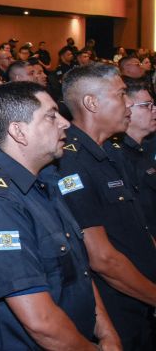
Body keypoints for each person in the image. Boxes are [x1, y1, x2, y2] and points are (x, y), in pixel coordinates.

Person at [0, 82, 120, 350]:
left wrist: (107, 333)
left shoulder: (44, 179)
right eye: (51, 116)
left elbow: (79, 271)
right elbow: (42, 324)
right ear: (18, 131)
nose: (65, 123)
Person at [48, 63, 156, 350]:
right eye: (121, 95)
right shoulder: (70, 162)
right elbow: (102, 259)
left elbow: (136, 227)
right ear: (91, 103)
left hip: (142, 295)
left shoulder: (111, 150)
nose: (128, 105)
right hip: (118, 308)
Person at [109, 78, 156, 232]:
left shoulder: (144, 147)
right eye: (146, 106)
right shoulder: (115, 155)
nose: (154, 109)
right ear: (126, 108)